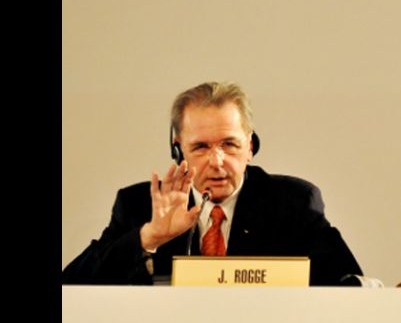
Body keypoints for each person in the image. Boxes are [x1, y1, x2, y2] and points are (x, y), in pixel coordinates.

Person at [62, 81, 363, 286]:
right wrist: (149, 237)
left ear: (250, 147)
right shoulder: (139, 205)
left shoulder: (294, 203)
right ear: (178, 150)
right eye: (201, 147)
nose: (217, 162)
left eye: (229, 145)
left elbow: (352, 286)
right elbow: (71, 287)